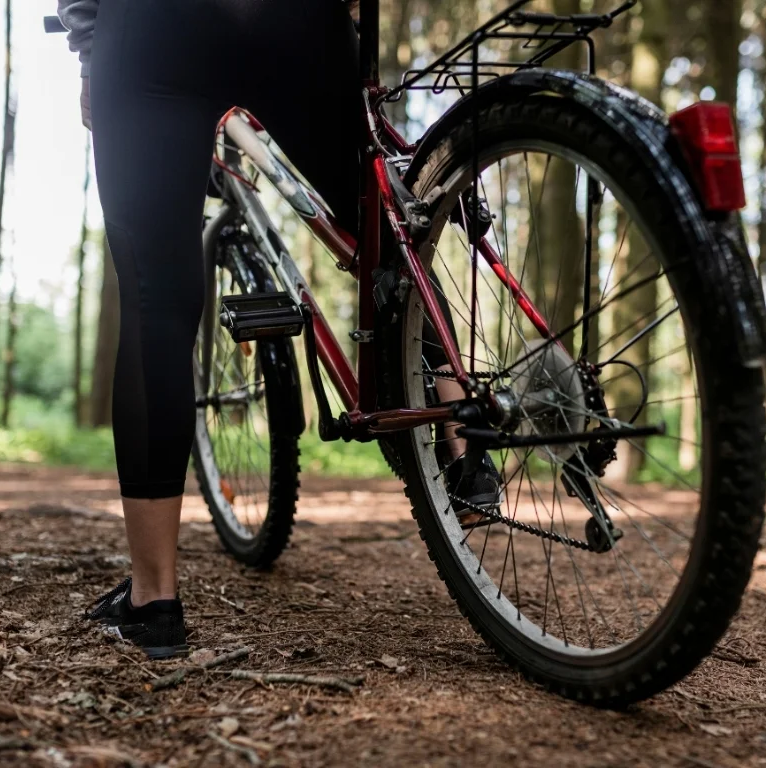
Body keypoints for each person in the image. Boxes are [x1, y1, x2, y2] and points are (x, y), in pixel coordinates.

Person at [58, 0, 501, 660]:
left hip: (155, 29)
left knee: (157, 302)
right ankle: (465, 452)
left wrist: (89, 46)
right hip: (297, 18)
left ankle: (154, 600)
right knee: (382, 236)